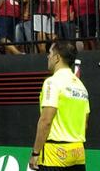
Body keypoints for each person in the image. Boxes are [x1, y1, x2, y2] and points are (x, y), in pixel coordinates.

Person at [30, 41, 90, 171]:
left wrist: (35, 153)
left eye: (50, 53)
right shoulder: (81, 87)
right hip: (78, 153)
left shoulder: (52, 82)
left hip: (54, 156)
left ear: (57, 58)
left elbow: (46, 121)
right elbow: (85, 124)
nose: (48, 56)